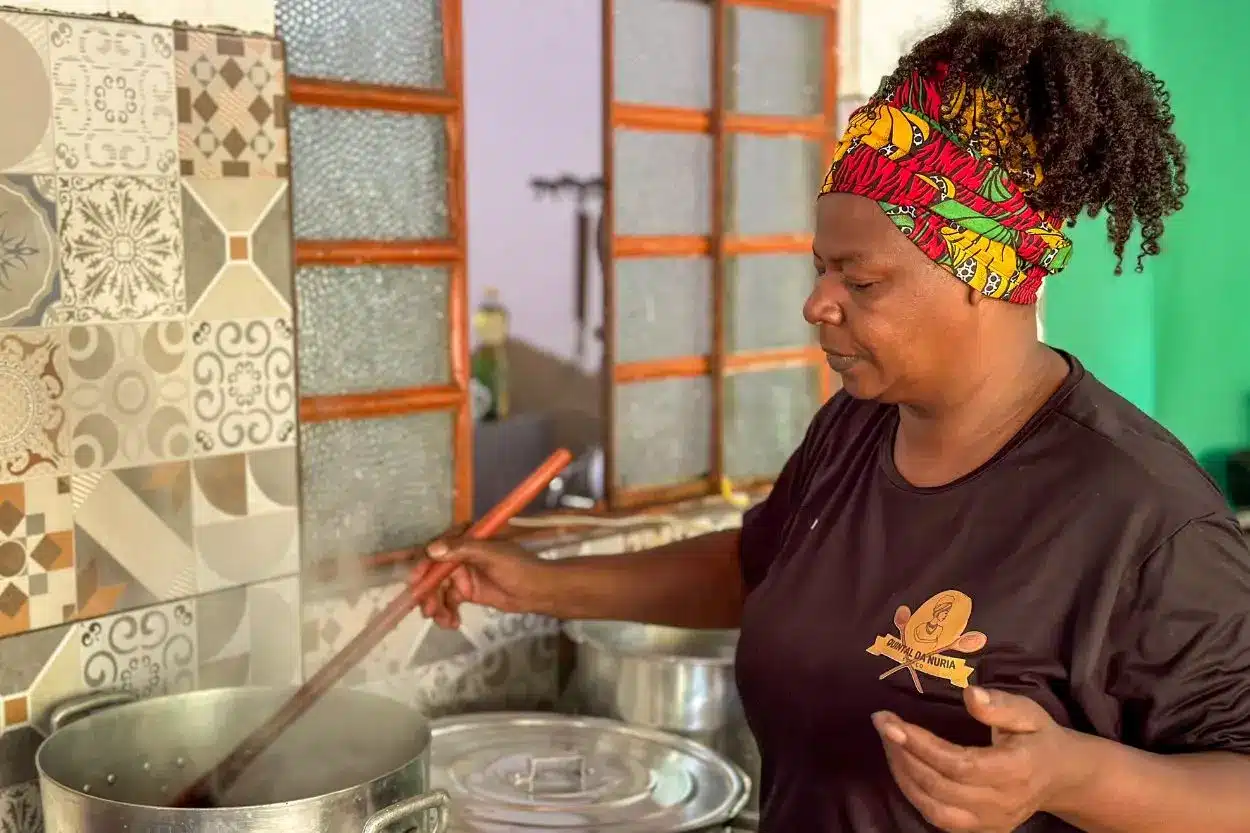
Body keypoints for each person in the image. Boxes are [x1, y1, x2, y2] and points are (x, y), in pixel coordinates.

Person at [411, 6, 1250, 832]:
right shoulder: (857, 426)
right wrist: (538, 583)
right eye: (821, 268)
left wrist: (1073, 776)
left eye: (862, 279)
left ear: (985, 275)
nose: (818, 303)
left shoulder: (1145, 515)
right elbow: (757, 569)